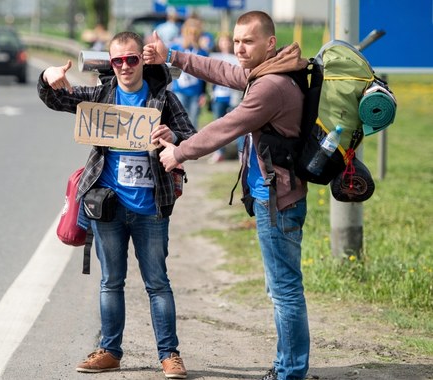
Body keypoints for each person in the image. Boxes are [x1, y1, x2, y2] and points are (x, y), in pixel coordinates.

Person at [143, 10, 310, 380]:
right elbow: (222, 72)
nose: (239, 49)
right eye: (236, 41)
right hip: (276, 195)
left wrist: (180, 151)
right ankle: (289, 368)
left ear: (269, 42)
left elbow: (226, 126)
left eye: (247, 41)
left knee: (284, 291)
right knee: (280, 287)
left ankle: (290, 373)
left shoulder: (271, 86)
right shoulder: (268, 71)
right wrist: (173, 56)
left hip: (277, 200)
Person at [38, 31, 196, 379]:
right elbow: (59, 100)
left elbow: (193, 137)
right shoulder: (101, 95)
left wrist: (174, 138)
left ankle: (169, 354)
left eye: (131, 59)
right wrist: (48, 80)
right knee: (111, 281)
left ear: (143, 59)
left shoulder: (163, 99)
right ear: (110, 64)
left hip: (151, 208)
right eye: (117, 61)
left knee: (157, 283)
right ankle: (110, 351)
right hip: (107, 206)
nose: (124, 66)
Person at [207, 32, 243, 163]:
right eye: (222, 41)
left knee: (239, 127)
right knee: (218, 126)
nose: (225, 44)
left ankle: (241, 153)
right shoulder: (214, 57)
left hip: (234, 96)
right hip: (219, 97)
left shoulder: (238, 58)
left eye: (228, 41)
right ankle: (219, 152)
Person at [169, 17, 209, 130]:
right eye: (190, 33)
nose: (193, 35)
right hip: (179, 90)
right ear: (185, 33)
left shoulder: (202, 52)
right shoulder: (176, 48)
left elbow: (205, 75)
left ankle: (192, 145)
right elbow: (171, 71)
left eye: (195, 33)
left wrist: (203, 94)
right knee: (178, 119)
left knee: (193, 120)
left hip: (195, 92)